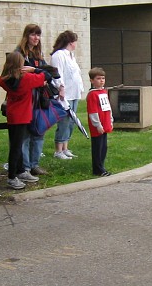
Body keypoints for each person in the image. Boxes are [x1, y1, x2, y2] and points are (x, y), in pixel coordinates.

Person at [0, 51, 47, 189]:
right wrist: (34, 69)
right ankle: (12, 177)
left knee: (15, 144)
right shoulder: (27, 79)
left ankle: (19, 171)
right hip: (23, 114)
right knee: (16, 147)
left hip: (12, 113)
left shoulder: (3, 79)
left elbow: (5, 79)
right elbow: (48, 75)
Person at [14, 24, 54, 177]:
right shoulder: (19, 54)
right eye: (33, 34)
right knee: (25, 135)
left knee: (39, 131)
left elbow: (48, 74)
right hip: (26, 99)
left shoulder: (38, 54)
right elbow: (21, 75)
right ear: (26, 36)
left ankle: (34, 164)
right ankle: (24, 167)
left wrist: (37, 73)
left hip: (39, 98)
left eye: (38, 35)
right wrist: (38, 76)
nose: (36, 38)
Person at [50, 30, 84, 159]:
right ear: (71, 42)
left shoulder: (71, 55)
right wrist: (61, 88)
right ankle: (58, 149)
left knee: (71, 121)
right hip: (65, 94)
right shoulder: (59, 55)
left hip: (74, 93)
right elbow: (58, 73)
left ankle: (65, 147)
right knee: (64, 121)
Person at [85, 67, 114, 176]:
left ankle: (102, 166)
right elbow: (93, 111)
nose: (101, 80)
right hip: (98, 125)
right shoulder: (93, 94)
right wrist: (97, 124)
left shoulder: (103, 91)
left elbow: (108, 107)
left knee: (103, 147)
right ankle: (97, 169)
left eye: (103, 78)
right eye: (98, 78)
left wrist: (110, 119)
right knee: (97, 147)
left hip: (105, 122)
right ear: (92, 81)